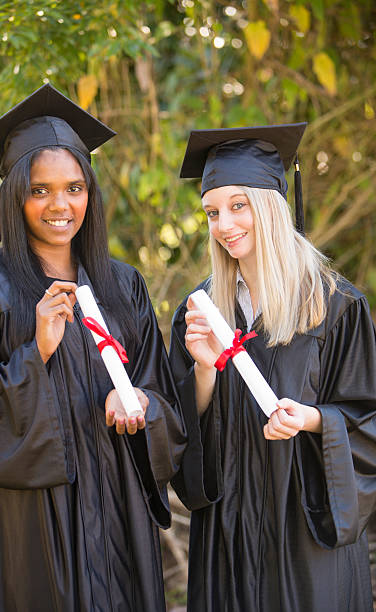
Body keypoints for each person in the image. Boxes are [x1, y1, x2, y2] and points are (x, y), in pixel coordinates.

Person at [0, 83, 185, 611]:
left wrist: (141, 407)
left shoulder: (122, 284)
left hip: (119, 509)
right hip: (35, 520)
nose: (60, 205)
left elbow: (166, 401)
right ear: (13, 194)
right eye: (39, 190)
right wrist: (35, 352)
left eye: (74, 187)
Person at [169, 123, 376, 611]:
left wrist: (313, 419)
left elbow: (367, 417)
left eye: (238, 205)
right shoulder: (201, 308)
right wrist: (203, 370)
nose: (224, 224)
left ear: (271, 206)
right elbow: (180, 428)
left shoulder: (335, 306)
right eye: (212, 212)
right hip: (228, 527)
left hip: (305, 527)